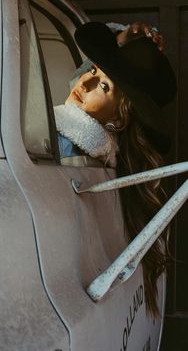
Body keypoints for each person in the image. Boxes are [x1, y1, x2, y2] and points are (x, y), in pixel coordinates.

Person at [54, 21, 177, 317]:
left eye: (104, 86)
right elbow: (80, 82)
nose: (85, 83)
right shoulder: (104, 148)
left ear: (120, 120)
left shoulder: (68, 143)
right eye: (93, 71)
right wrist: (120, 40)